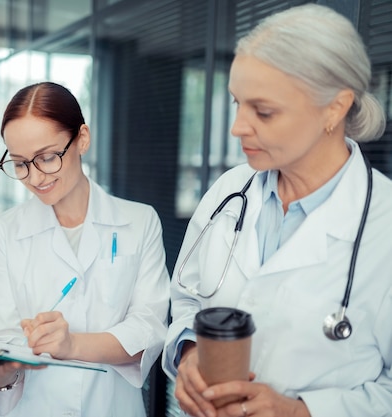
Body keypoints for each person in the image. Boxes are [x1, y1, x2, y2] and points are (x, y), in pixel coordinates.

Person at [162, 4, 392, 417]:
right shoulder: (230, 191)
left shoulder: (383, 224)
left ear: (335, 109)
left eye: (263, 111)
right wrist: (189, 350)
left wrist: (302, 411)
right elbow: (186, 298)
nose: (238, 127)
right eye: (237, 103)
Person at [0, 81, 170, 416]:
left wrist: (72, 344)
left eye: (47, 157)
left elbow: (148, 333)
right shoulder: (0, 235)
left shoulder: (139, 221)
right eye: (20, 163)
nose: (34, 177)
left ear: (83, 140)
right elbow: (1, 347)